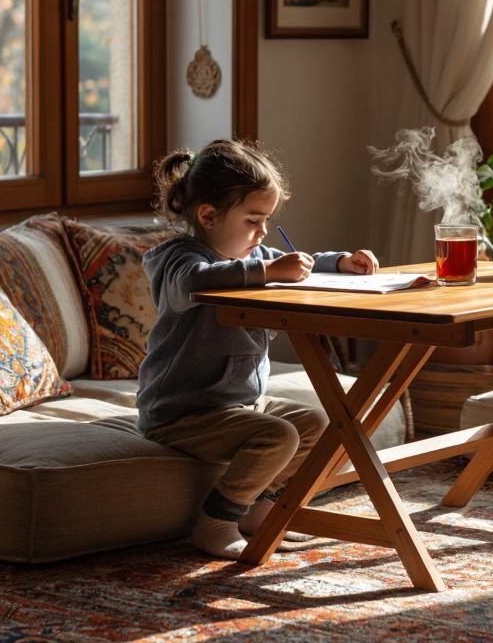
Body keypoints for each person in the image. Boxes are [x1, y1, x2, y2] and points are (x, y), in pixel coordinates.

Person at [140, 139, 379, 559]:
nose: (263, 232)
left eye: (267, 220)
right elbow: (191, 285)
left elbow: (298, 261)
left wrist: (340, 262)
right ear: (209, 215)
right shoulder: (177, 259)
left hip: (237, 405)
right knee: (277, 435)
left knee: (318, 423)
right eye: (254, 219)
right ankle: (217, 521)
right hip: (182, 411)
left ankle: (258, 506)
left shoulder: (254, 253)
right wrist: (266, 270)